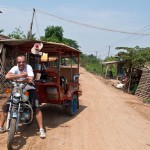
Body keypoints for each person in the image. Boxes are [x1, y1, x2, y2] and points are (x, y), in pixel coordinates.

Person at [0, 55, 46, 138]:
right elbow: (7, 76)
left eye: (23, 62)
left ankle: (41, 129)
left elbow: (30, 79)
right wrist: (21, 76)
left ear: (25, 62)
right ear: (17, 62)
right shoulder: (15, 68)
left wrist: (14, 78)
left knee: (37, 108)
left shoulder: (28, 67)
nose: (21, 63)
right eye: (19, 62)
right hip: (17, 89)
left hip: (29, 88)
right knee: (5, 106)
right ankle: (1, 127)